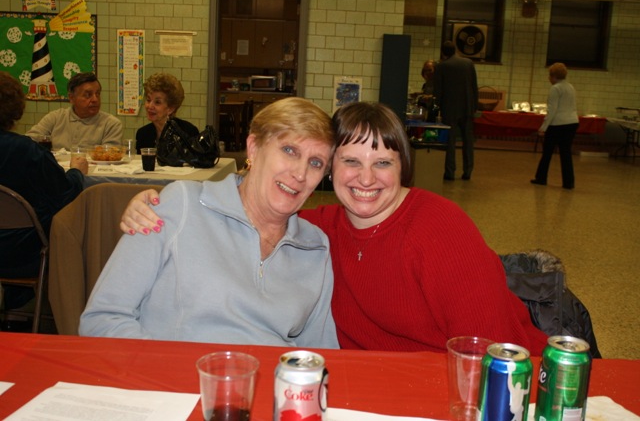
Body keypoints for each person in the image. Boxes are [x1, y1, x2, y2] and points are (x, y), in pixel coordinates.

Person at [119, 102, 548, 356]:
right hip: (372, 395)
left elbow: (496, 353)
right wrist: (162, 201)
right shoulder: (318, 229)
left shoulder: (439, 227)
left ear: (403, 167)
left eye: (383, 162)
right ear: (331, 169)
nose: (366, 178)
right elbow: (254, 208)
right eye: (350, 161)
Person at [79, 97, 339, 348]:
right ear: (254, 148)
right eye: (289, 150)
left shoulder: (315, 247)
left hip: (274, 377)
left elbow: (319, 353)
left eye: (316, 163)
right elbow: (103, 318)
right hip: (178, 374)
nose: (300, 174)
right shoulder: (182, 205)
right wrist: (171, 369)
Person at [0, 71, 88, 311]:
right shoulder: (26, 151)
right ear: (15, 107)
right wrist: (76, 172)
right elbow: (65, 195)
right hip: (22, 252)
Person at [26, 72, 123, 150]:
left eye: (97, 94)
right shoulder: (55, 118)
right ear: (71, 98)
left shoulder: (111, 124)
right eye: (88, 95)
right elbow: (28, 141)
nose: (95, 99)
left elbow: (110, 156)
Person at [434, 41, 478, 181]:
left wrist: (437, 107)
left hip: (449, 109)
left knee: (450, 142)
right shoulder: (468, 63)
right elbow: (474, 86)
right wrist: (474, 106)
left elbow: (438, 91)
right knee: (468, 141)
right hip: (467, 108)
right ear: (455, 50)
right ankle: (468, 171)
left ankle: (450, 172)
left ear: (443, 52)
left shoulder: (441, 66)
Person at [531, 63, 579, 190]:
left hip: (557, 124)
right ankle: (569, 182)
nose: (548, 78)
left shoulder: (555, 88)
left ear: (553, 76)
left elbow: (552, 110)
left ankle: (541, 178)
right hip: (572, 122)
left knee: (547, 152)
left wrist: (543, 127)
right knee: (566, 153)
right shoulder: (570, 87)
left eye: (549, 75)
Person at [135, 73, 199, 154]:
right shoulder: (142, 134)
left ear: (170, 109)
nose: (149, 106)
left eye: (157, 102)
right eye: (148, 100)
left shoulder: (188, 132)